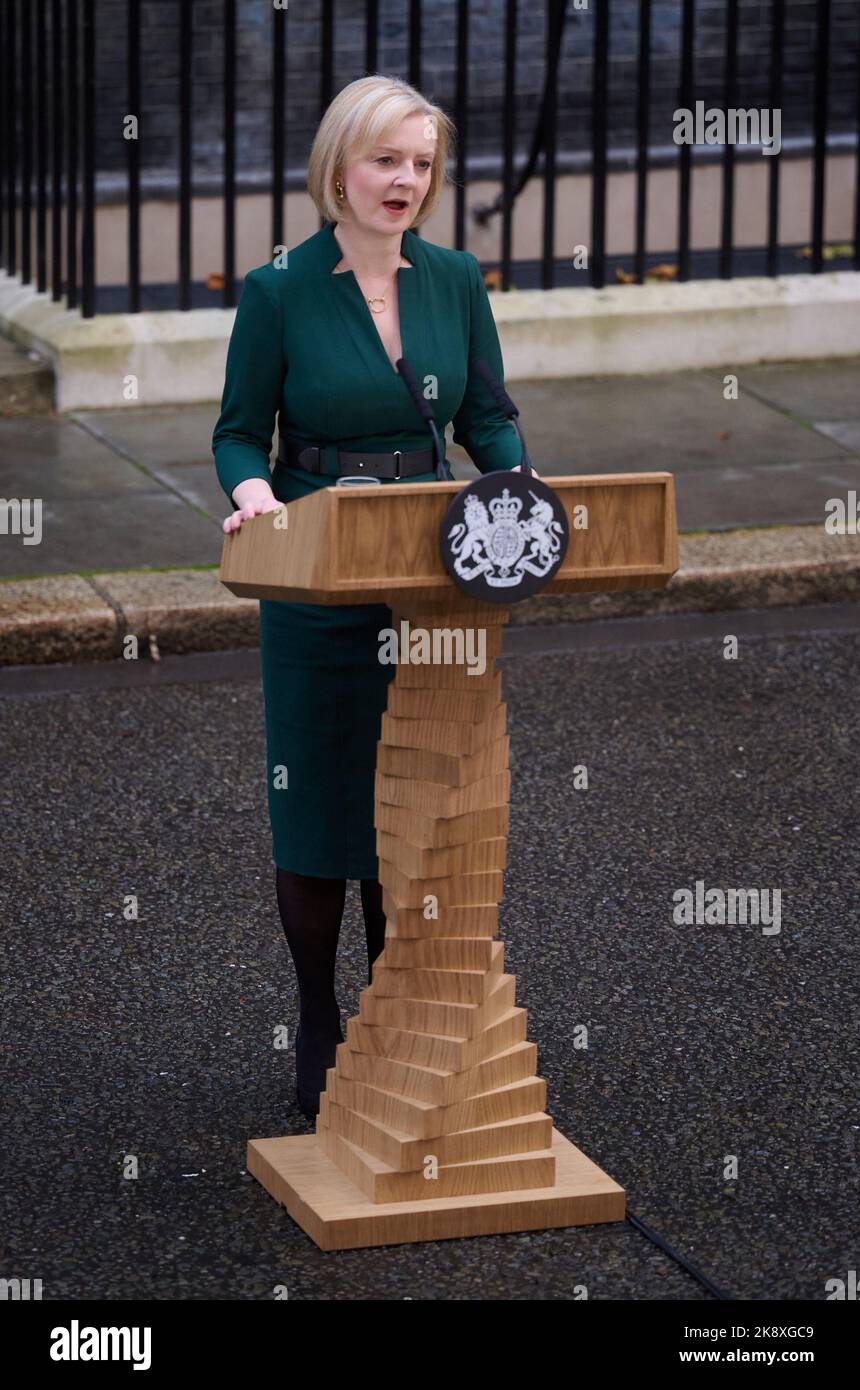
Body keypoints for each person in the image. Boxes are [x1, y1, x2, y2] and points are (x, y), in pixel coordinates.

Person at [211, 73, 534, 1119]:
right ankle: (318, 1018)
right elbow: (237, 433)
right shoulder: (280, 290)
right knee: (318, 805)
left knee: (417, 804)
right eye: (385, 159)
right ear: (339, 167)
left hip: (430, 570)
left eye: (422, 163)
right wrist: (256, 497)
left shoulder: (455, 279)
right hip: (317, 566)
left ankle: (396, 1018)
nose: (406, 180)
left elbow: (488, 417)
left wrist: (519, 491)